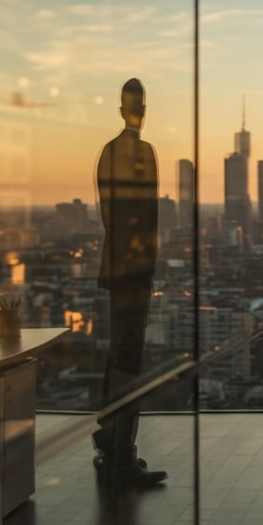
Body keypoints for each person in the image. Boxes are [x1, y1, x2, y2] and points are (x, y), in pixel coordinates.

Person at [92, 78, 167, 488]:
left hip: (116, 267)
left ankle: (108, 442)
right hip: (136, 270)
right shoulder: (144, 152)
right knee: (130, 360)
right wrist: (147, 266)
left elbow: (109, 215)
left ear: (122, 110)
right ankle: (122, 457)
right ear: (143, 111)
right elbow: (148, 217)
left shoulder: (107, 151)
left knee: (116, 356)